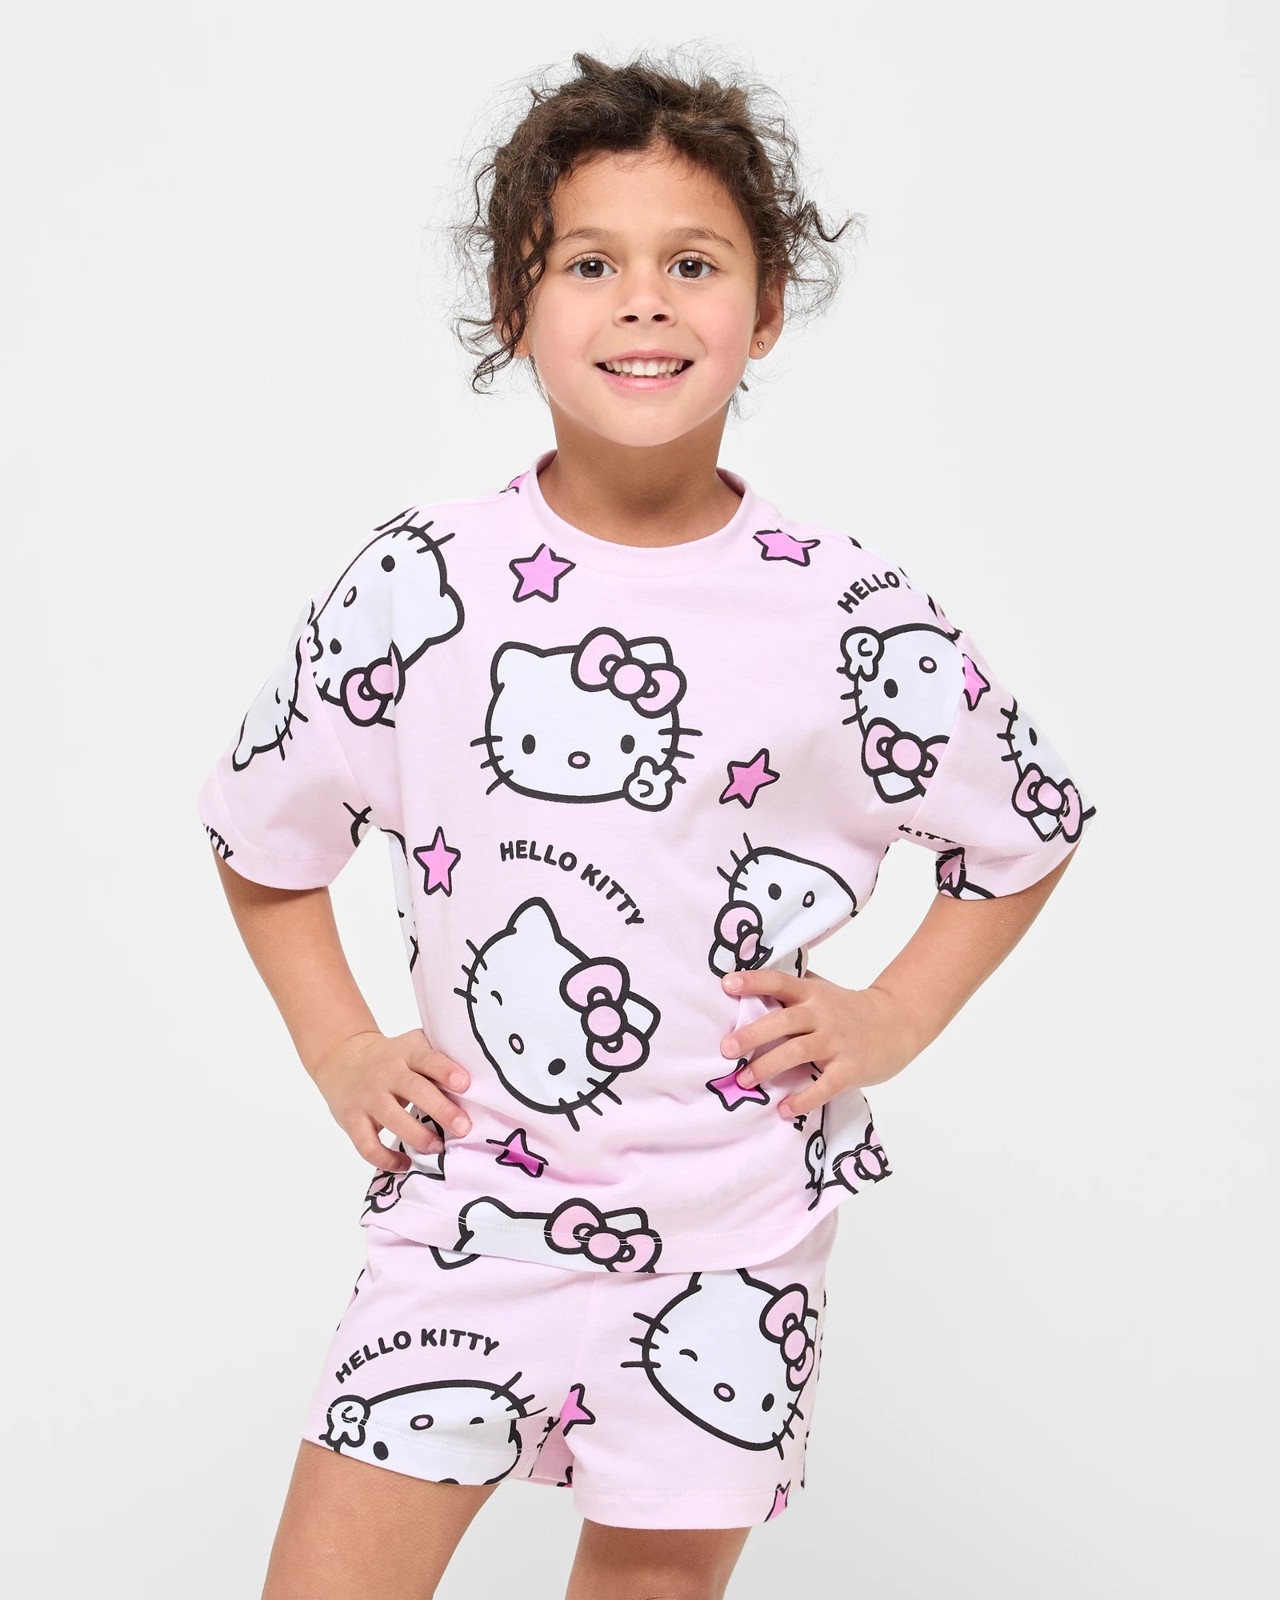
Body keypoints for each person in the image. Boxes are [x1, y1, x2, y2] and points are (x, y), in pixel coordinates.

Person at [197, 46, 1098, 1600]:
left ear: (767, 307)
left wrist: (893, 1014)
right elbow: (262, 836)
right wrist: (340, 1046)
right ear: (515, 306)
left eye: (692, 264)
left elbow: (1024, 825)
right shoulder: (422, 583)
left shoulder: (842, 609)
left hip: (731, 1230)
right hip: (473, 1210)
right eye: (590, 264)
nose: (643, 304)